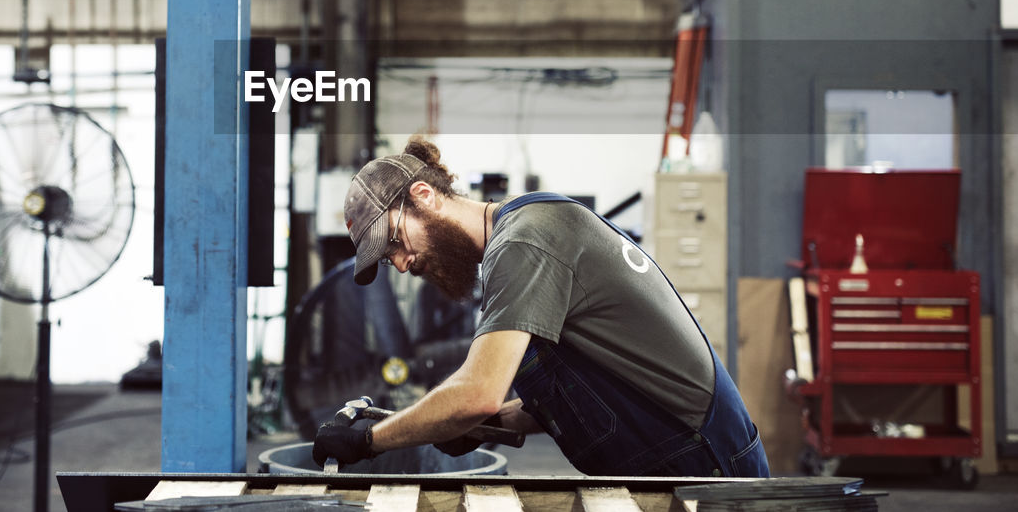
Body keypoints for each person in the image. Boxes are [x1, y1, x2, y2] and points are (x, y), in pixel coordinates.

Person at [311, 136, 769, 478]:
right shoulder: (512, 243)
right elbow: (580, 393)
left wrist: (368, 441)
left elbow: (477, 392)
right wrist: (477, 425)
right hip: (681, 451)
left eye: (394, 242)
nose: (402, 262)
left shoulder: (524, 241)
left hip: (702, 461)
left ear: (423, 197)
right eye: (388, 260)